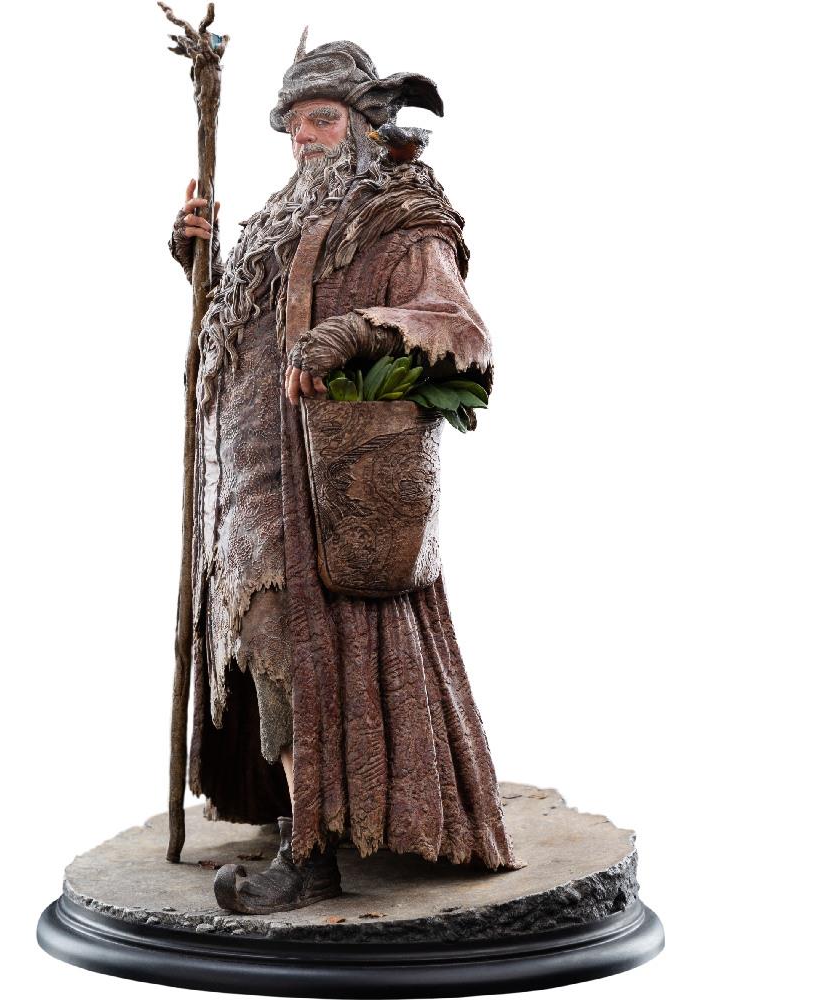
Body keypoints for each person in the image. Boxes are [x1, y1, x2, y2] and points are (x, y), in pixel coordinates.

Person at [169, 31, 519, 914]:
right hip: (243, 480)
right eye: (294, 123)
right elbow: (244, 330)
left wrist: (358, 331)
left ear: (366, 123)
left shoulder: (401, 220)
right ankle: (306, 814)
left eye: (321, 118)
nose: (304, 137)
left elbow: (460, 330)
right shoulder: (280, 224)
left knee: (284, 638)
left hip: (324, 484)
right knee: (261, 643)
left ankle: (312, 854)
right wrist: (200, 264)